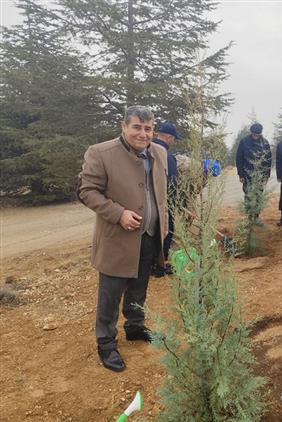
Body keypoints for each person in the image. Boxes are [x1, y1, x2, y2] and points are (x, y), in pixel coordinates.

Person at [77, 106, 168, 372]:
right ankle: (106, 344)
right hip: (118, 239)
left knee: (139, 287)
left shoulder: (160, 152)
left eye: (148, 128)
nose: (143, 133)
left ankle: (135, 326)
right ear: (123, 126)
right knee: (110, 294)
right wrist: (118, 214)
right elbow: (86, 191)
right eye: (137, 127)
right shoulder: (101, 153)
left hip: (150, 237)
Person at [152, 121, 180, 277]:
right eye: (173, 139)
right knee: (167, 230)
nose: (173, 142)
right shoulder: (167, 157)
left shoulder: (145, 149)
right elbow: (172, 184)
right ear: (169, 137)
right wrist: (174, 204)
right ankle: (160, 266)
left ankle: (149, 264)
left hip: (147, 203)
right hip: (163, 202)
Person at [236, 122, 272, 221]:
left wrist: (266, 175)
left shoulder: (265, 143)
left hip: (260, 176)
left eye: (258, 134)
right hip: (247, 175)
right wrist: (241, 174)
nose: (256, 136)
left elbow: (268, 160)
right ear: (251, 132)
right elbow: (239, 159)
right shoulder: (244, 142)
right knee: (248, 195)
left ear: (261, 133)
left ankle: (256, 216)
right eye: (254, 134)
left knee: (258, 196)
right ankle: (249, 216)